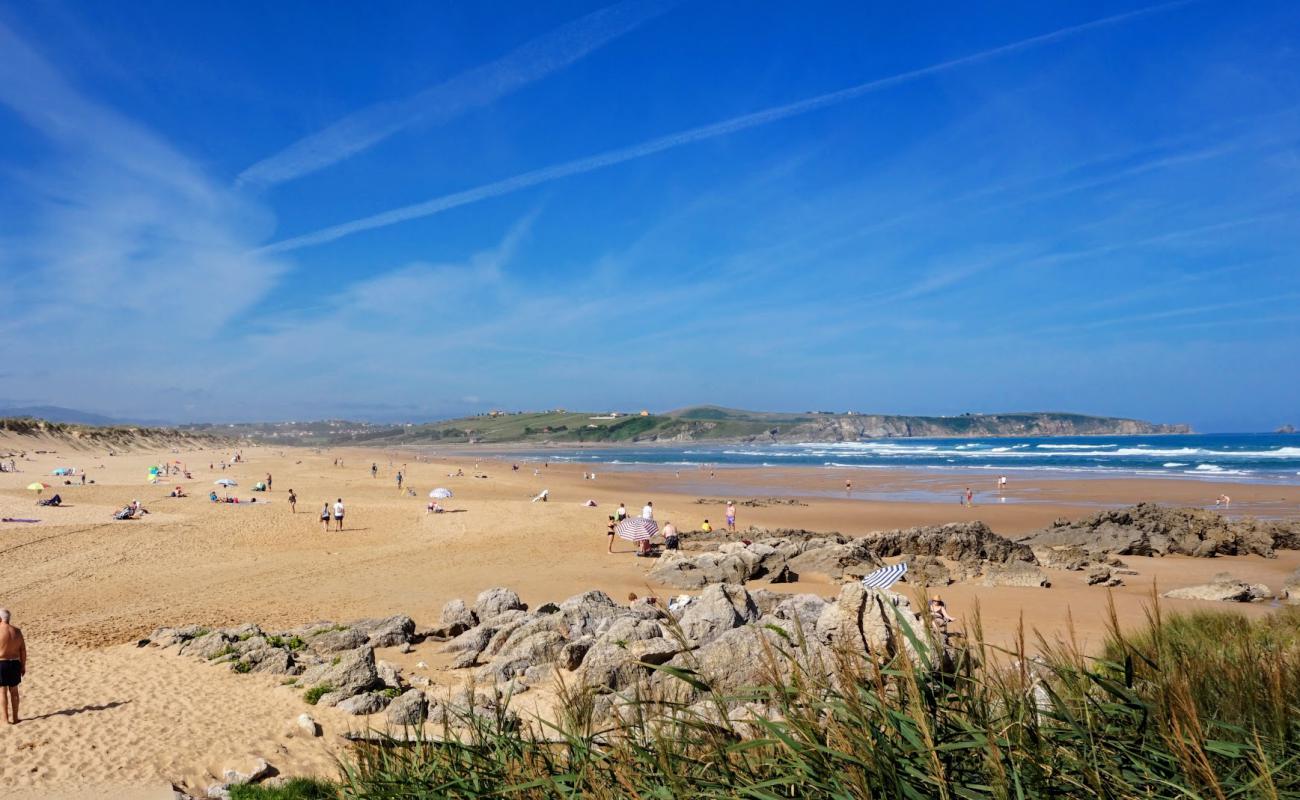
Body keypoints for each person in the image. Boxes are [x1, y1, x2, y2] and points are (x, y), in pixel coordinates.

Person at [0, 609, 27, 724]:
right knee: (14, 691)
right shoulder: (17, 631)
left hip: (1, 663)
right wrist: (23, 666)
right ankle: (15, 718)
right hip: (15, 663)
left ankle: (5, 719)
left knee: (2, 692)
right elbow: (23, 650)